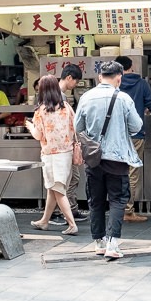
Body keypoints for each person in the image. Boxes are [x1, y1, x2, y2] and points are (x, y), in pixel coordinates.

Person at [75, 60, 142, 260]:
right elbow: (137, 126)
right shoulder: (123, 98)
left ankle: (98, 242)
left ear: (99, 77)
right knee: (118, 199)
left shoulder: (86, 97)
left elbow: (78, 127)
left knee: (95, 201)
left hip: (93, 159)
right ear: (119, 78)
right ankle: (113, 244)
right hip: (117, 158)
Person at [26, 75, 79, 235]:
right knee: (53, 189)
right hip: (67, 154)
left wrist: (29, 126)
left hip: (51, 155)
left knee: (58, 190)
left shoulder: (41, 110)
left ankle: (71, 224)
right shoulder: (66, 107)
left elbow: (38, 135)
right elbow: (76, 126)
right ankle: (44, 221)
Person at [116, 55, 151, 223]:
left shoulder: (113, 85)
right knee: (132, 173)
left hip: (116, 136)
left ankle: (117, 208)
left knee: (116, 172)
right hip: (136, 135)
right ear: (131, 67)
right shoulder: (142, 84)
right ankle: (128, 210)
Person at [56, 64, 89, 223]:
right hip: (63, 145)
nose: (75, 85)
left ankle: (70, 210)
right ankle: (65, 212)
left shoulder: (59, 95)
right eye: (75, 81)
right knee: (68, 179)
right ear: (69, 77)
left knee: (71, 178)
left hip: (66, 144)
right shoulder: (58, 96)